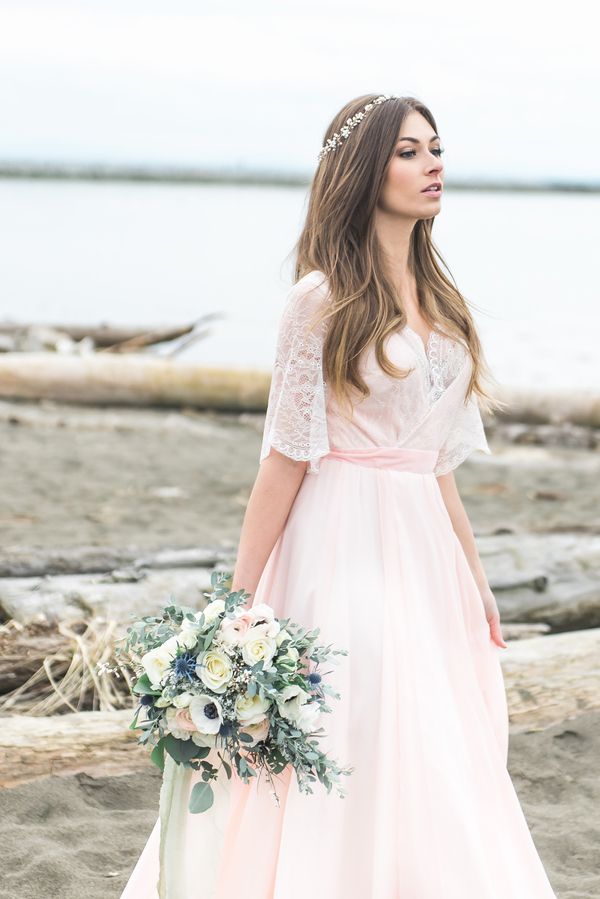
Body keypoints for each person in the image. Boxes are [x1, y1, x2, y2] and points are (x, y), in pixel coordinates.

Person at [121, 93, 558, 898]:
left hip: (425, 545)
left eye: (437, 148)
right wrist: (238, 601)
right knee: (353, 722)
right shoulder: (318, 301)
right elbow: (285, 458)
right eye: (408, 151)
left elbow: (437, 465)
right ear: (363, 173)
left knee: (438, 736)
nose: (433, 164)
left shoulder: (445, 302)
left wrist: (477, 575)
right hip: (341, 536)